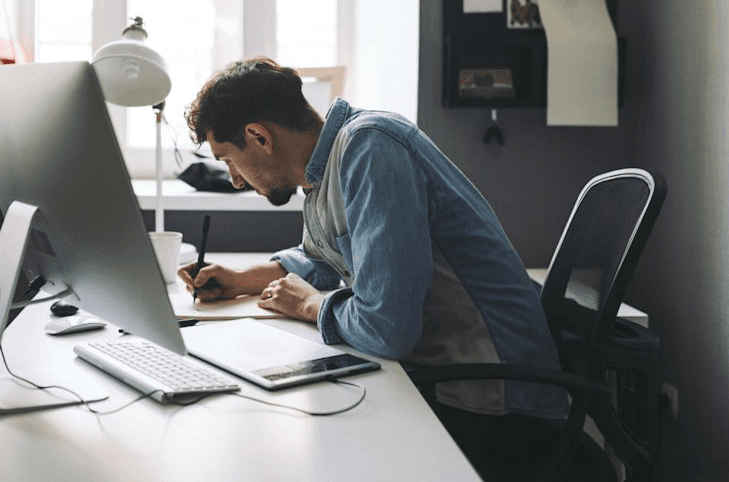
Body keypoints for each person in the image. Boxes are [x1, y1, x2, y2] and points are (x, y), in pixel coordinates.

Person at [179, 56, 568, 478]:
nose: (234, 179)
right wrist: (242, 281)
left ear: (258, 136)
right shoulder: (324, 171)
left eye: (228, 159)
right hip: (440, 377)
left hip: (493, 401)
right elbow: (324, 257)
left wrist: (310, 306)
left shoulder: (371, 147)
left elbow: (388, 329)